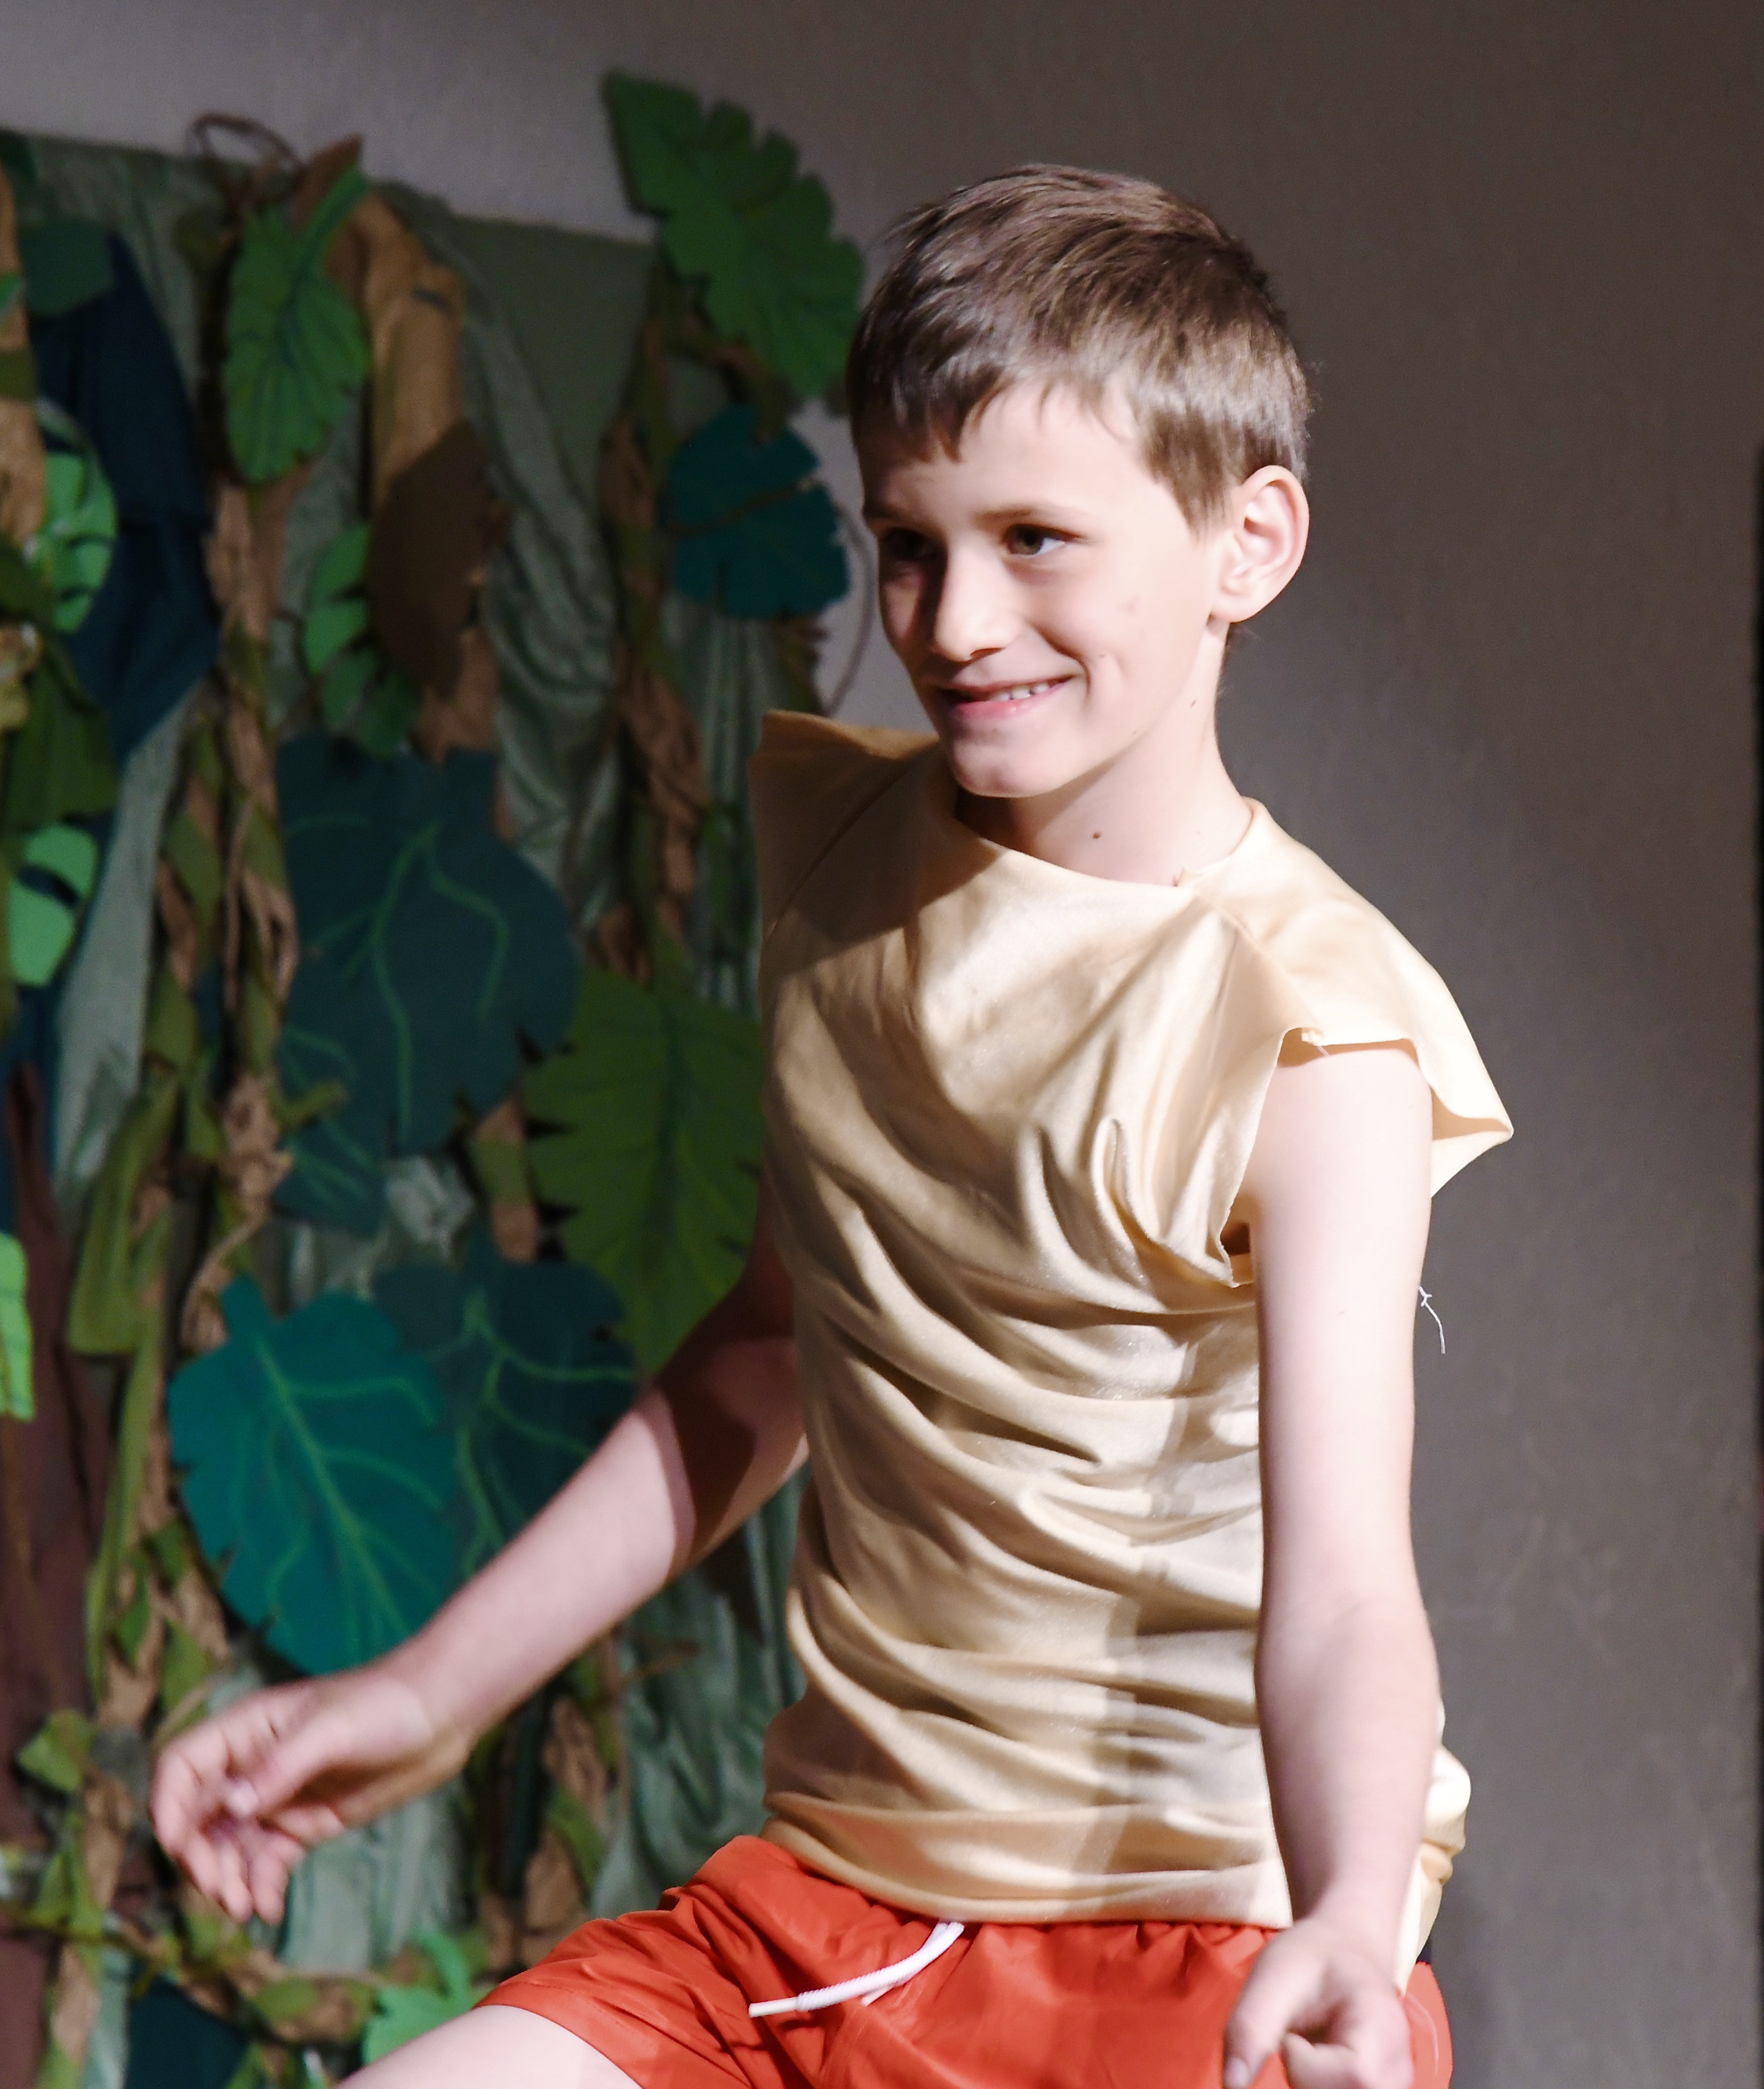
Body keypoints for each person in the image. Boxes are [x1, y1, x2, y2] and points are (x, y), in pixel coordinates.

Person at [152, 167, 1509, 2089]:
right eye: (908, 544)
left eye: (1037, 540)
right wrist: (429, 1698)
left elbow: (1350, 1588)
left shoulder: (1313, 1035)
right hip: (821, 1919)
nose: (958, 621)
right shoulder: (849, 850)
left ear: (1248, 542)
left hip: (1187, 1952)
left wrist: (1355, 1918)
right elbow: (772, 1349)